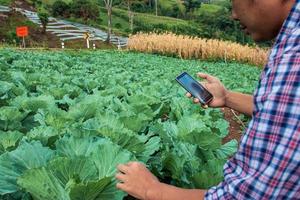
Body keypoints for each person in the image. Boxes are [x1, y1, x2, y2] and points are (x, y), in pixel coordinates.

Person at [115, 0, 300, 199]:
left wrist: (153, 190)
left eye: (234, 2)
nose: (234, 15)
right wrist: (227, 97)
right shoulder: (290, 41)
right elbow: (282, 112)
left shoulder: (294, 59)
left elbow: (253, 196)